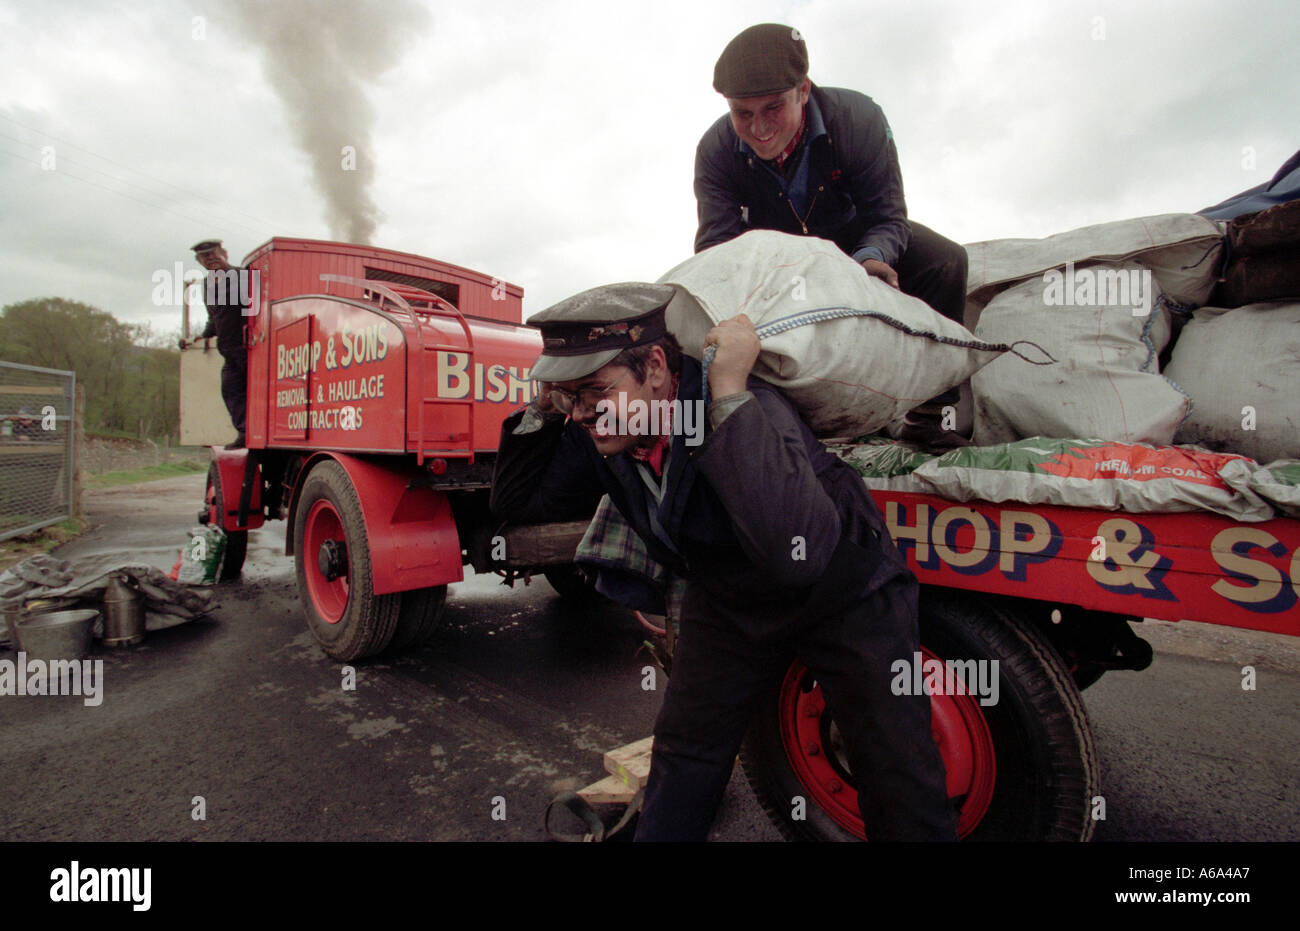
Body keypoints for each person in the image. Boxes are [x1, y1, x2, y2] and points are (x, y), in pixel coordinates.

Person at [491, 283, 958, 842]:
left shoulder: (744, 406)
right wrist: (544, 409)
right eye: (569, 396)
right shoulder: (602, 426)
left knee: (895, 765)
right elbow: (517, 505)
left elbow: (794, 555)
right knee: (686, 749)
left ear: (657, 367)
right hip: (729, 590)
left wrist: (730, 391)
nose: (585, 415)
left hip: (840, 587)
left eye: (594, 391)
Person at [695, 23, 971, 448]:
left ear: (803, 90)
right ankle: (786, 425)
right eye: (743, 114)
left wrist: (872, 260)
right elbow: (717, 250)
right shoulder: (714, 153)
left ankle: (932, 416)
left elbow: (889, 214)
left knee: (946, 261)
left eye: (773, 108)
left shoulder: (859, 120)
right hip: (778, 268)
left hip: (859, 247)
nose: (760, 128)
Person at [180, 239, 252, 449]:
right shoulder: (207, 285)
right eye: (205, 257)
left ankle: (255, 433)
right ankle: (245, 432)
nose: (210, 259)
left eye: (213, 254)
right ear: (200, 261)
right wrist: (202, 336)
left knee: (255, 392)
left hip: (249, 347)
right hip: (228, 350)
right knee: (230, 390)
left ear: (225, 254)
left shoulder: (244, 276)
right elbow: (215, 318)